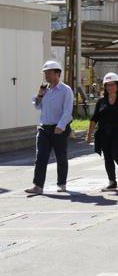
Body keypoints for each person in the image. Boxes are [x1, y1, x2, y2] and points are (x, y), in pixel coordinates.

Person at [26, 60, 74, 195]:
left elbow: (67, 110)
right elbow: (37, 106)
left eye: (49, 73)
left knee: (61, 157)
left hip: (59, 128)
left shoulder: (66, 90)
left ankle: (62, 184)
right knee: (40, 157)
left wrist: (61, 126)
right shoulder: (45, 90)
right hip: (44, 128)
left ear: (57, 73)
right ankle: (38, 186)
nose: (46, 76)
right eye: (45, 73)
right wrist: (40, 94)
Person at [86, 72, 118, 192]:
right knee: (107, 157)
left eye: (112, 85)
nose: (110, 87)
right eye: (107, 85)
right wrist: (89, 134)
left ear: (117, 85)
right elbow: (94, 119)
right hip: (104, 133)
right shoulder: (101, 101)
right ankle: (112, 181)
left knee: (116, 154)